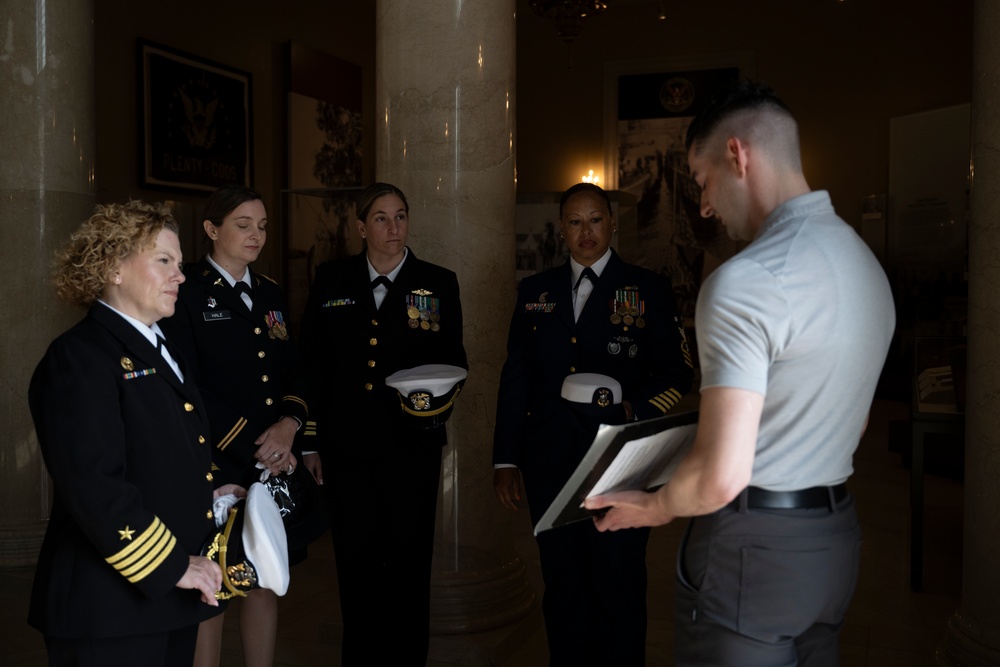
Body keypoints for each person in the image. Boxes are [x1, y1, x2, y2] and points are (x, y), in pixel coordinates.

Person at [584, 80, 896, 666]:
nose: (703, 206)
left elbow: (722, 477)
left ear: (737, 155)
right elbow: (844, 427)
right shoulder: (864, 265)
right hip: (835, 542)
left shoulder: (746, 279)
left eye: (702, 182)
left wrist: (650, 508)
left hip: (756, 550)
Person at [493, 182, 694, 666]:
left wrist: (634, 408)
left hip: (620, 461)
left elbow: (679, 371)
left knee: (617, 579)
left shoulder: (647, 289)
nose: (587, 231)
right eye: (576, 222)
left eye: (596, 220)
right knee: (562, 583)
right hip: (551, 461)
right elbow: (516, 376)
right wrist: (505, 457)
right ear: (561, 229)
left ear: (613, 223)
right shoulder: (535, 292)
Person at [27, 200, 229, 666]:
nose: (181, 275)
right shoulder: (79, 357)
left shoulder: (159, 345)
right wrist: (173, 564)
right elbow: (94, 485)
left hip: (162, 603)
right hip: (108, 608)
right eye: (164, 261)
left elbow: (166, 447)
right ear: (113, 267)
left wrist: (213, 489)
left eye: (180, 264)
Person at [297, 182, 467, 666]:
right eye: (381, 218)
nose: (393, 228)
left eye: (401, 216)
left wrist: (430, 415)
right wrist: (310, 441)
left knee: (410, 569)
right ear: (360, 227)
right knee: (355, 569)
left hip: (412, 450)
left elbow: (454, 362)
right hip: (345, 451)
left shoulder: (438, 282)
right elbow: (311, 363)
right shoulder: (331, 279)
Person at [160, 185, 313, 667]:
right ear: (211, 229)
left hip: (273, 461)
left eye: (263, 226)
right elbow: (184, 383)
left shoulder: (268, 292)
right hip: (216, 459)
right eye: (244, 225)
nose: (257, 235)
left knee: (264, 576)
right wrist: (255, 442)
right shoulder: (186, 288)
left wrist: (290, 425)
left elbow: (293, 371)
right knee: (214, 585)